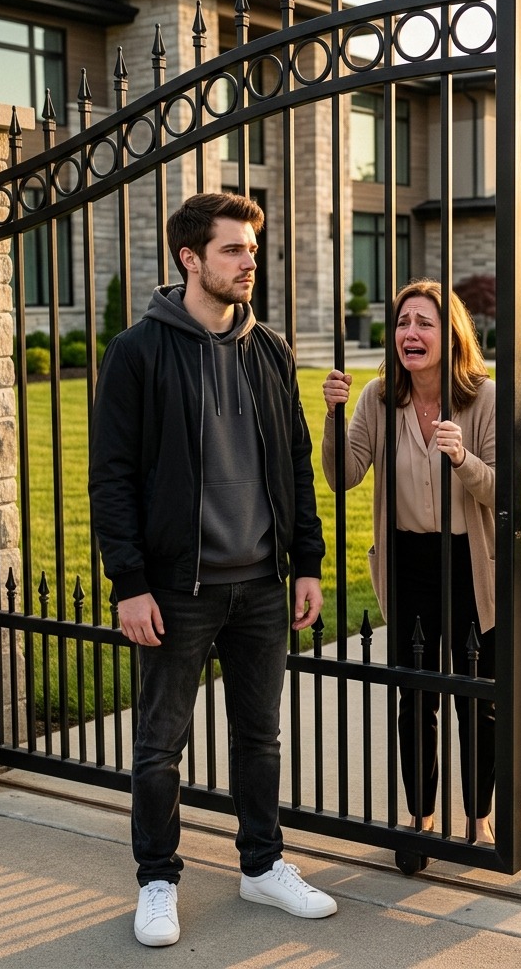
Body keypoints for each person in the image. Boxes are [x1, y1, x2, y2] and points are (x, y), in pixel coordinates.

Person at [89, 193, 335, 948]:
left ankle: (262, 866)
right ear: (190, 258)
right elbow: (113, 476)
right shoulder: (138, 351)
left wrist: (306, 562)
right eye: (234, 249)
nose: (250, 261)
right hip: (175, 589)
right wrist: (129, 583)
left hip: (261, 583)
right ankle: (157, 879)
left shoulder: (271, 348)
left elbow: (295, 460)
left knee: (259, 738)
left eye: (253, 249)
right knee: (160, 744)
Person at [322, 280, 496, 844]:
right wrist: (333, 414)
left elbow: (501, 492)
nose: (410, 334)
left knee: (475, 698)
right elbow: (342, 475)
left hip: (468, 563)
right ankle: (420, 816)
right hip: (407, 562)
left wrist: (462, 457)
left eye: (423, 323)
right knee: (414, 697)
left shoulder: (485, 399)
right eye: (402, 323)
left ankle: (480, 817)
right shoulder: (378, 399)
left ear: (451, 334)